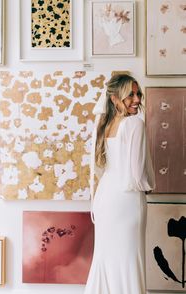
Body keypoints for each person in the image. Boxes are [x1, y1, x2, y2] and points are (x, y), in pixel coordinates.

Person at [84, 74, 155, 294]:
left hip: (105, 197)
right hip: (127, 199)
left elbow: (102, 167)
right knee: (129, 259)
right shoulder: (134, 124)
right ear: (115, 98)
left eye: (138, 94)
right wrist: (149, 186)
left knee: (105, 256)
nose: (136, 99)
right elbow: (136, 175)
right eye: (130, 95)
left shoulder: (104, 124)